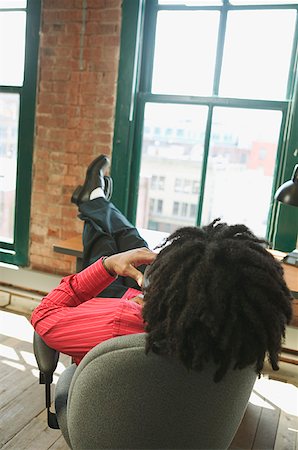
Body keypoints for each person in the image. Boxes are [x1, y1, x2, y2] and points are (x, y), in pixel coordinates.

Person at [31, 155, 293, 382]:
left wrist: (107, 267)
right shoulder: (240, 330)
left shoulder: (120, 322)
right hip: (149, 313)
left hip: (115, 307)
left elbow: (43, 315)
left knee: (102, 244)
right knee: (134, 244)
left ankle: (93, 202)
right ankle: (96, 199)